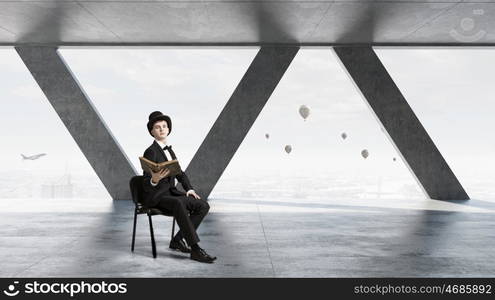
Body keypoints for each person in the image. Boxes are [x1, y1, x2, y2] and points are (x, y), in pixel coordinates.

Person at [142, 111, 216, 263]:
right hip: (157, 196)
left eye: (164, 126)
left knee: (203, 205)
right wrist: (154, 180)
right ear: (152, 132)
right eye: (157, 127)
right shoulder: (150, 151)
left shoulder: (169, 150)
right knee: (178, 203)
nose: (162, 129)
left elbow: (180, 173)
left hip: (172, 193)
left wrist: (189, 189)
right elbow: (146, 182)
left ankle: (177, 240)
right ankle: (195, 249)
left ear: (168, 129)